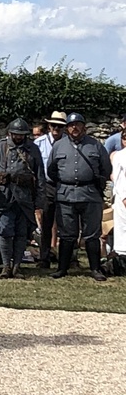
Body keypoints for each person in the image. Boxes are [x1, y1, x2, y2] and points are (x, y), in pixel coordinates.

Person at [46, 112, 112, 282]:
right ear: (67, 128)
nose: (74, 128)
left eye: (78, 125)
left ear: (84, 127)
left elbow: (106, 169)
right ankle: (62, 268)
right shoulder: (59, 146)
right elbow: (51, 170)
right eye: (71, 125)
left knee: (92, 234)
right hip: (66, 195)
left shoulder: (95, 145)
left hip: (89, 195)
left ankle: (95, 269)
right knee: (67, 234)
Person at [0, 119, 44, 279]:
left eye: (21, 134)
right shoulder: (1, 147)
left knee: (21, 233)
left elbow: (40, 177)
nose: (18, 137)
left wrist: (39, 201)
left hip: (24, 197)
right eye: (16, 134)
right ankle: (6, 266)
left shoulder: (33, 149)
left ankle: (17, 266)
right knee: (5, 231)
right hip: (5, 196)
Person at [33, 112, 66, 269]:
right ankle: (44, 257)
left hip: (65, 185)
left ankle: (68, 257)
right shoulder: (39, 143)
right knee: (46, 222)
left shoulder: (68, 143)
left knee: (67, 222)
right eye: (54, 125)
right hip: (47, 185)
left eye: (60, 126)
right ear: (49, 126)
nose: (56, 129)